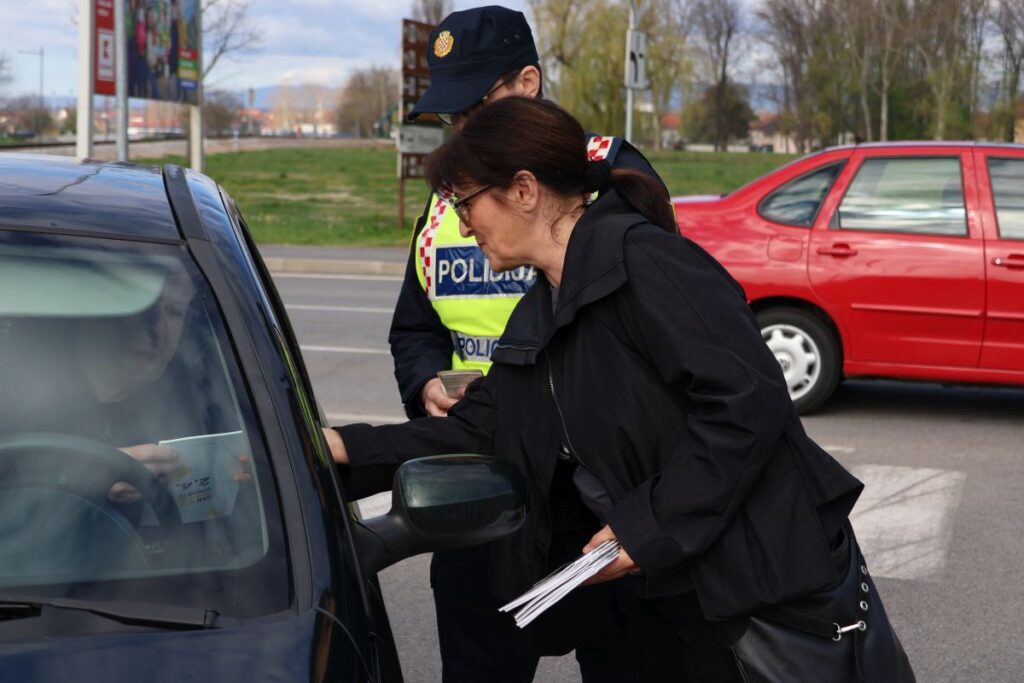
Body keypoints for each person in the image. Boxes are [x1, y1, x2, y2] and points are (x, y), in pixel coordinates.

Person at [324, 96, 865, 681]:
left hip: (742, 585)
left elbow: (747, 404)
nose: (461, 223)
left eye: (466, 202)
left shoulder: (647, 262)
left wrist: (650, 526)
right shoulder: (543, 305)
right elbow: (481, 428)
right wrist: (340, 449)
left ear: (524, 190)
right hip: (651, 593)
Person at [387, 6, 671, 681]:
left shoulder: (603, 177)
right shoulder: (450, 203)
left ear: (527, 84)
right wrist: (426, 381)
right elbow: (414, 328)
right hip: (485, 487)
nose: (464, 130)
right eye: (452, 116)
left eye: (476, 108)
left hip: (597, 495)